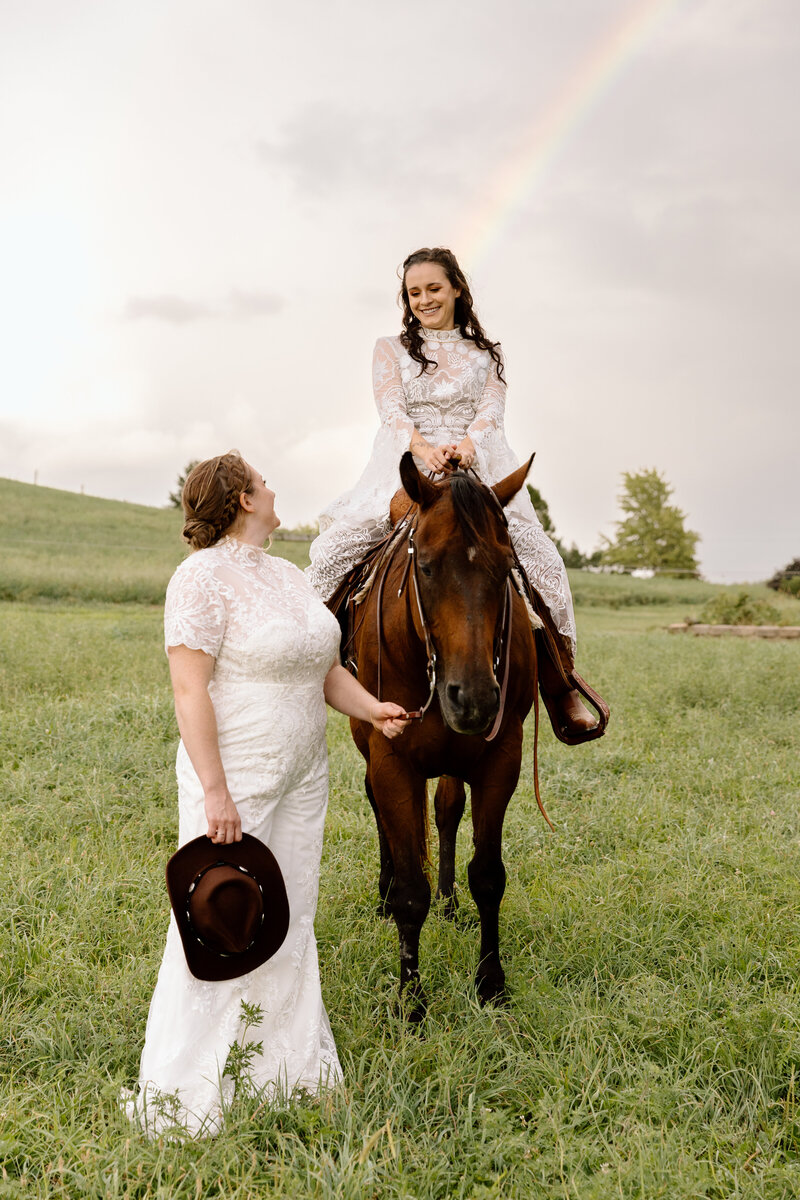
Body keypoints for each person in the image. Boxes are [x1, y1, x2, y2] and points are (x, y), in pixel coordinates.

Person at [126, 451, 408, 1137]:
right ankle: (188, 1087)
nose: (275, 488)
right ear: (244, 499)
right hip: (236, 772)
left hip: (305, 772)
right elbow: (189, 690)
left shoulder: (288, 576)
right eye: (264, 482)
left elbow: (322, 667)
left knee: (290, 912)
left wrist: (372, 709)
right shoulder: (199, 579)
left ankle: (284, 1070)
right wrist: (215, 792)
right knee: (224, 912)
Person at [307, 247, 599, 739]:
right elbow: (392, 412)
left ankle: (561, 689)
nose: (423, 299)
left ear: (457, 289)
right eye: (413, 292)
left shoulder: (487, 353)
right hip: (407, 465)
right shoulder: (389, 349)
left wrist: (465, 447)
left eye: (433, 289)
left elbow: (491, 414)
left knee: (541, 560)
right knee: (334, 551)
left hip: (476, 464)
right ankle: (310, 667)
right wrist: (424, 448)